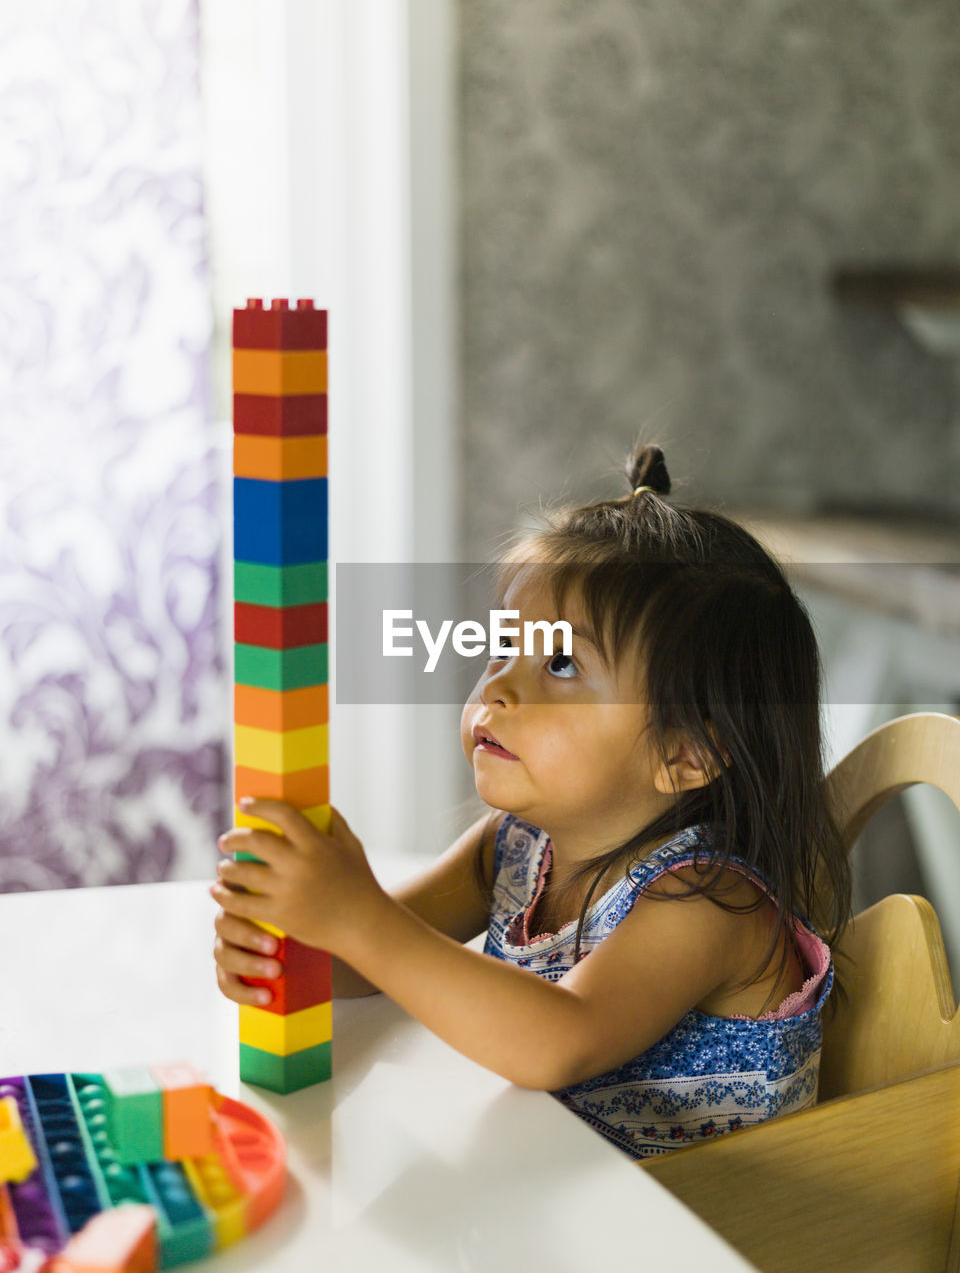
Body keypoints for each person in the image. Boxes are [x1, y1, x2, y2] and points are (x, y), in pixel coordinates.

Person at [212, 441, 851, 1160]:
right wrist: (298, 945)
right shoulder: (515, 845)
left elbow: (557, 1039)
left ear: (687, 753)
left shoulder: (708, 903)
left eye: (561, 664)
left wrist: (355, 918)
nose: (499, 688)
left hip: (711, 1239)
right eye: (503, 648)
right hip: (560, 1191)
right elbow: (382, 953)